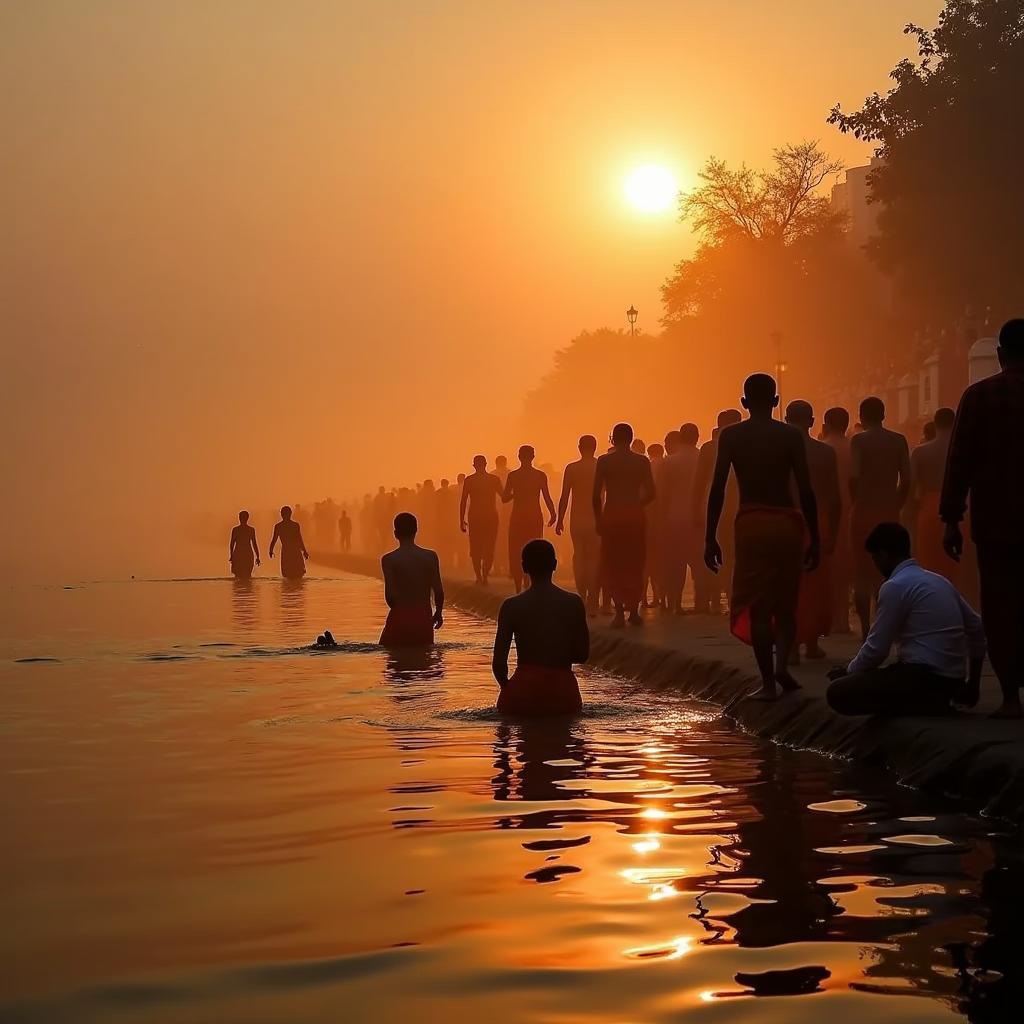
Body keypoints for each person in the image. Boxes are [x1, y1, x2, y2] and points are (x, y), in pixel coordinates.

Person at [705, 374, 820, 700]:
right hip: (787, 522)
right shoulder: (790, 436)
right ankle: (782, 663)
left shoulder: (731, 436)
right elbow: (806, 490)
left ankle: (768, 682)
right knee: (785, 602)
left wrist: (709, 537)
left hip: (752, 522)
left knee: (756, 604)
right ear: (775, 402)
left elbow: (717, 488)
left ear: (743, 403)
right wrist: (816, 536)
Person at [942, 317, 1024, 719]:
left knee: (1000, 604)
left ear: (999, 355)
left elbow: (959, 462)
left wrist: (950, 518)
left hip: (996, 519)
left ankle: (1011, 697)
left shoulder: (979, 396)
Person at [827, 523, 985, 716]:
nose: (875, 565)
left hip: (920, 677)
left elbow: (876, 650)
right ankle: (925, 702)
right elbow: (977, 628)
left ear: (883, 555)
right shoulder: (939, 580)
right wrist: (973, 683)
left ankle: (916, 705)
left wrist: (849, 671)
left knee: (837, 692)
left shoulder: (895, 586)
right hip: (953, 681)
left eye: (875, 558)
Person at [492, 539, 588, 716]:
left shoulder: (511, 606)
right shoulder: (573, 603)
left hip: (523, 691)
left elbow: (499, 663)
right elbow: (582, 655)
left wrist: (508, 689)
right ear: (555, 565)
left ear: (524, 568)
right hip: (563, 691)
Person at [849, 397, 911, 639]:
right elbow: (905, 480)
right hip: (888, 509)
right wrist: (897, 503)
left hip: (864, 509)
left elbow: (854, 476)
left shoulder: (860, 441)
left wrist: (856, 500)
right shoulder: (898, 441)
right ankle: (886, 627)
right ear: (883, 415)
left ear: (862, 417)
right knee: (891, 571)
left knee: (862, 572)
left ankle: (866, 629)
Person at [785, 401, 841, 662]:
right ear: (811, 421)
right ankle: (810, 643)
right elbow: (834, 496)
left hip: (787, 519)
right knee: (816, 584)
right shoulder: (825, 453)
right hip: (818, 519)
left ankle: (792, 646)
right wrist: (834, 529)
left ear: (786, 420)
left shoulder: (779, 452)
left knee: (788, 584)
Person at [593, 422, 656, 627]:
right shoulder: (641, 461)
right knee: (635, 563)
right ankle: (634, 611)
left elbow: (595, 495)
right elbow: (651, 493)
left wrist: (599, 520)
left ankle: (619, 612)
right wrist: (636, 504)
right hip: (634, 516)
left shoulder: (604, 461)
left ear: (613, 439)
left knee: (613, 563)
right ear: (631, 438)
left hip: (612, 516)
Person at [693, 410, 743, 613]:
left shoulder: (708, 448)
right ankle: (738, 600)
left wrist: (696, 510)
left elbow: (699, 483)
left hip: (718, 509)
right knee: (740, 556)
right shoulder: (748, 442)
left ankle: (731, 599)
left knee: (725, 557)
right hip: (744, 507)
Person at [380, 512, 444, 646]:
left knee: (392, 657)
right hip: (423, 620)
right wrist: (438, 612)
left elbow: (390, 597)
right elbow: (438, 591)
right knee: (424, 660)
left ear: (395, 534)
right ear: (416, 531)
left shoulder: (389, 560)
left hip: (399, 618)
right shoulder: (430, 557)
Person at [909, 407, 958, 582]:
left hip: (929, 509)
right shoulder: (963, 449)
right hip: (960, 508)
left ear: (935, 424)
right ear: (955, 424)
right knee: (958, 566)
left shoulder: (920, 452)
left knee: (930, 564)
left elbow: (911, 486)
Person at [555, 435, 601, 614]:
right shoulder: (600, 466)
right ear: (595, 447)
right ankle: (593, 598)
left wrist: (560, 519)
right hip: (596, 519)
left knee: (579, 557)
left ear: (579, 448)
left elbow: (565, 496)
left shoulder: (572, 468)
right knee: (593, 558)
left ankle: (583, 595)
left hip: (577, 519)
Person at [502, 445, 556, 593]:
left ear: (519, 457)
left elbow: (504, 498)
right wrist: (553, 513)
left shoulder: (513, 476)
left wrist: (516, 493)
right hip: (534, 516)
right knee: (534, 550)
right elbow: (546, 497)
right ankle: (529, 581)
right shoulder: (539, 475)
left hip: (518, 517)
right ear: (533, 457)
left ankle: (518, 586)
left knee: (515, 550)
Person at [660, 424, 701, 614]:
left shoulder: (669, 462)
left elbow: (663, 493)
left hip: (673, 518)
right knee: (699, 562)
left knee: (674, 563)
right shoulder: (703, 458)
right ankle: (704, 601)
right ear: (697, 437)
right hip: (698, 518)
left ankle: (674, 603)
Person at [822, 407, 853, 634]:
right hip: (851, 508)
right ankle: (843, 619)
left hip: (828, 510)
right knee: (847, 567)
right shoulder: (854, 447)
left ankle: (833, 619)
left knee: (829, 568)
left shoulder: (822, 448)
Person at [460, 455, 503, 584]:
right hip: (490, 517)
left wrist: (461, 520)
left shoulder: (470, 480)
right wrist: (518, 493)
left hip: (475, 517)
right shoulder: (493, 480)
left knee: (476, 547)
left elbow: (463, 502)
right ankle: (484, 575)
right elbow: (504, 497)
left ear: (474, 465)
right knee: (489, 547)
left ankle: (480, 576)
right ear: (485, 464)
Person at [269, 506, 309, 579]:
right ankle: (295, 589)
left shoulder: (279, 526)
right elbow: (299, 539)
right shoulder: (294, 525)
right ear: (290, 514)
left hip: (288, 551)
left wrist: (271, 550)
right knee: (296, 573)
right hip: (294, 551)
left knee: (288, 574)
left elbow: (274, 540)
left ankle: (289, 589)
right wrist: (304, 551)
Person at [229, 510, 260, 580]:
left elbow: (232, 544)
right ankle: (245, 589)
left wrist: (231, 555)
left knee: (239, 576)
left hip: (241, 553)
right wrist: (257, 556)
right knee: (245, 576)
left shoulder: (237, 530)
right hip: (244, 553)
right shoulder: (249, 529)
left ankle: (241, 589)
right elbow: (254, 544)